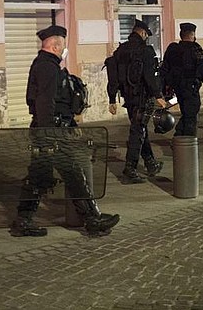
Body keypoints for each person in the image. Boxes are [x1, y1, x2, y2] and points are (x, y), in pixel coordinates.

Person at [10, 25, 120, 237]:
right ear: (54, 46)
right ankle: (90, 219)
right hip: (51, 132)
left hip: (53, 130)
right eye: (62, 46)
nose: (63, 50)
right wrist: (50, 134)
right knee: (66, 174)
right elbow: (45, 102)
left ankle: (25, 220)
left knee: (48, 176)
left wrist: (69, 126)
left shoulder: (46, 64)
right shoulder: (47, 67)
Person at [106, 19, 167, 184]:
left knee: (139, 129)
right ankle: (130, 168)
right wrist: (158, 95)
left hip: (128, 98)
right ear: (142, 33)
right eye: (146, 34)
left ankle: (150, 163)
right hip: (142, 99)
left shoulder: (120, 51)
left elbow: (113, 76)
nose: (146, 37)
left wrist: (112, 98)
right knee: (137, 132)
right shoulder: (145, 51)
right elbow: (149, 75)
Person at [160, 22, 203, 136]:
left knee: (187, 114)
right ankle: (185, 143)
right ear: (192, 35)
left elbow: (164, 69)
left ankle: (180, 139)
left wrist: (164, 89)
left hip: (178, 88)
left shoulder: (173, 49)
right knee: (191, 116)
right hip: (191, 87)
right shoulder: (195, 48)